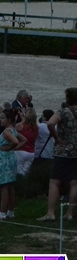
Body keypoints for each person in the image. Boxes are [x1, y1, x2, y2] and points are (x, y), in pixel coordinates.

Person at [38, 88, 77, 222]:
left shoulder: (63, 112)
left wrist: (57, 138)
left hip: (63, 151)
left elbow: (50, 123)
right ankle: (70, 213)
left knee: (55, 181)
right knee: (74, 182)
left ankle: (51, 213)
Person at [0, 109, 26, 221]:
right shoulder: (13, 130)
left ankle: (2, 213)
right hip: (10, 159)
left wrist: (10, 148)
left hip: (4, 160)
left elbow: (16, 141)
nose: (0, 120)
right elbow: (24, 140)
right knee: (10, 186)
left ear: (9, 120)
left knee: (4, 187)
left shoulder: (7, 131)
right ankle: (11, 212)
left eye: (2, 118)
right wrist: (13, 149)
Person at [15, 108, 38, 176]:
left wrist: (21, 116)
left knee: (18, 171)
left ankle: (19, 185)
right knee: (25, 173)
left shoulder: (20, 126)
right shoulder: (36, 128)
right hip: (31, 152)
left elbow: (15, 128)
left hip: (20, 150)